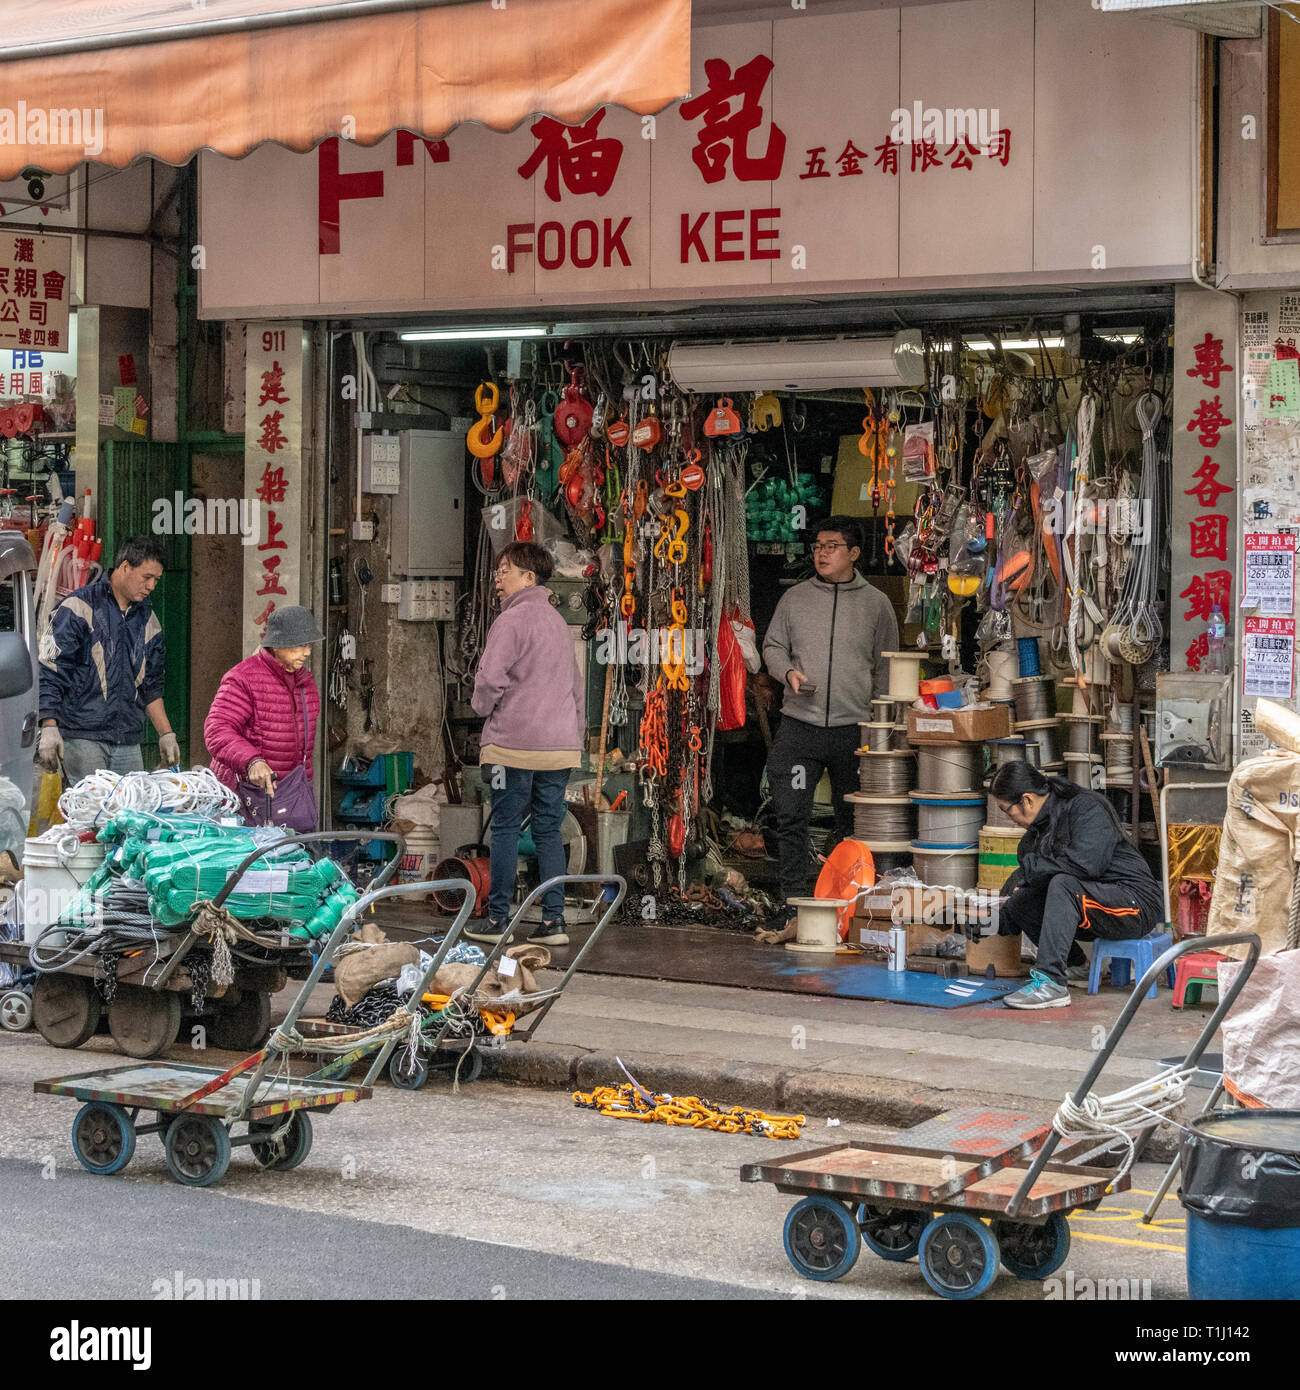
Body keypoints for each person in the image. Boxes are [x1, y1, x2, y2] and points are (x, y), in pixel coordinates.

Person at [762, 515, 898, 914]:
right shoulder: (795, 598)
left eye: (832, 546)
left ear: (853, 554)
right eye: (818, 546)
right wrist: (787, 673)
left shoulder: (877, 604)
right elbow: (772, 646)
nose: (821, 553)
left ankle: (846, 902)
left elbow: (887, 666)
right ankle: (792, 897)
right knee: (791, 814)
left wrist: (880, 721)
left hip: (852, 731)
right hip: (800, 728)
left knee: (852, 821)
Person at [466, 541, 584, 948]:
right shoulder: (557, 623)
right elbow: (577, 689)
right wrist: (575, 738)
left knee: (504, 829)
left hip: (512, 748)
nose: (498, 577)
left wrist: (482, 709)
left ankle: (499, 917)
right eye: (498, 570)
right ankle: (554, 922)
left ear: (529, 577)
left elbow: (488, 681)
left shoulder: (511, 621)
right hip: (559, 749)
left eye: (506, 570)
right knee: (549, 831)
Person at [990, 762, 1164, 1010]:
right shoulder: (1035, 836)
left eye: (1007, 810)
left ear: (1027, 800)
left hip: (1135, 904)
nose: (1009, 819)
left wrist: (1031, 872)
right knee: (1022, 898)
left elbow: (1087, 866)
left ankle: (1051, 983)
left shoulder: (1087, 807)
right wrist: (986, 921)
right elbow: (1030, 887)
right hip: (1095, 907)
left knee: (1062, 884)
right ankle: (1076, 967)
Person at [37, 535, 179, 782]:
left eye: (156, 579)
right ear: (125, 567)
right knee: (92, 815)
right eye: (147, 577)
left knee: (130, 815)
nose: (152, 586)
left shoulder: (148, 619)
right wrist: (48, 726)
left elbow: (151, 685)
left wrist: (166, 734)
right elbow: (50, 670)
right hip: (82, 737)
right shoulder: (77, 607)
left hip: (128, 741)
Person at [203, 606, 323, 827]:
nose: (307, 652)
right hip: (245, 798)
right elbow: (217, 729)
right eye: (300, 645)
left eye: (309, 645)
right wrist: (251, 761)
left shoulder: (305, 684)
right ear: (277, 645)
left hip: (290, 797)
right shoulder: (243, 678)